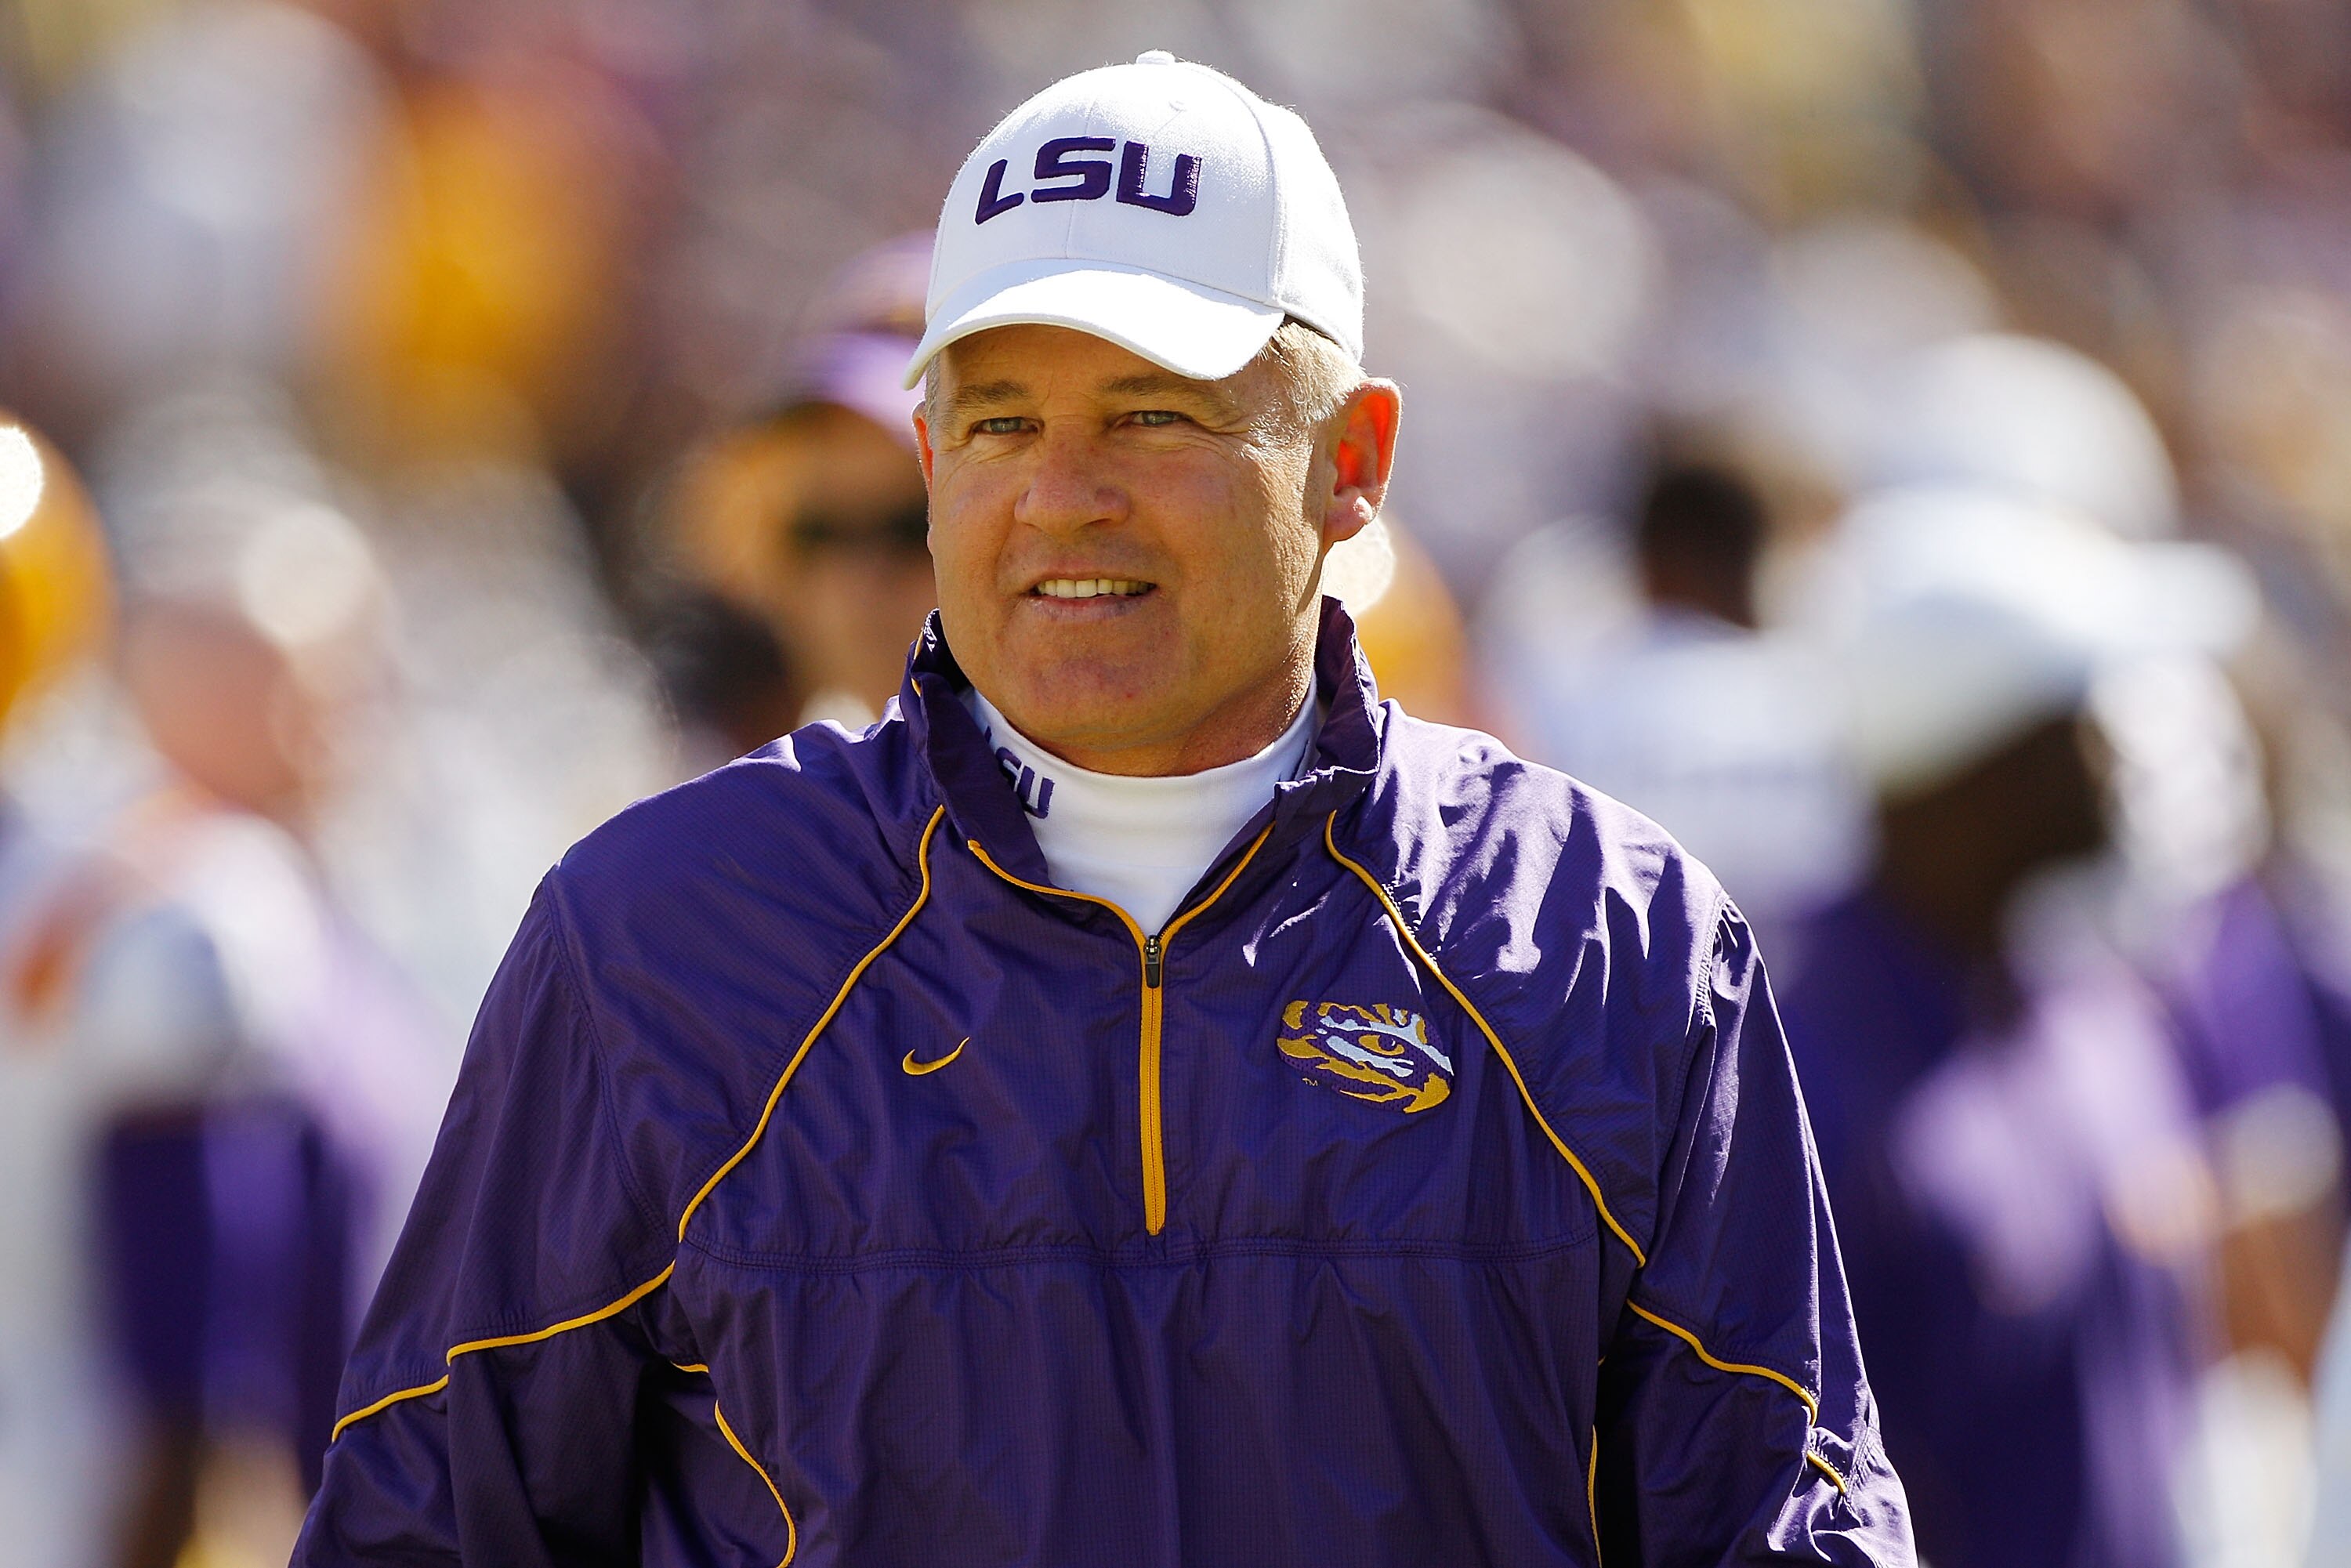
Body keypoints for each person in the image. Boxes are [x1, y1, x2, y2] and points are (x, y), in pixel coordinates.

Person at [299, 54, 1912, 1564]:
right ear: (931, 458)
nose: (1064, 491)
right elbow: (429, 1523)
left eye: (1155, 412)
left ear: (1351, 459)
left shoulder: (1611, 945)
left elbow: (1792, 1519)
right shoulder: (655, 942)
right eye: (1001, 419)